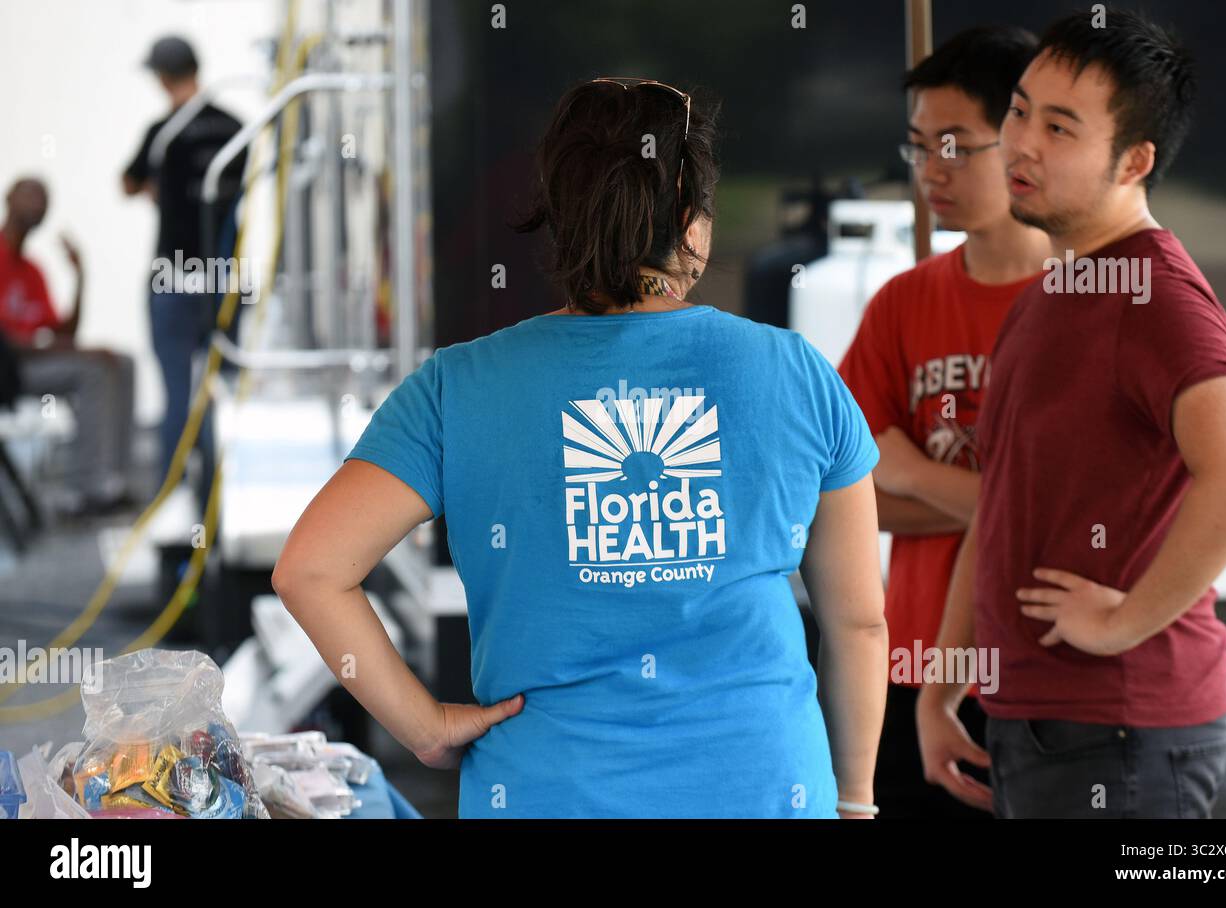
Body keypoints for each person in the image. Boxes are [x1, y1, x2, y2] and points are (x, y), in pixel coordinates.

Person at [273, 78, 889, 818]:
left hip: (543, 792)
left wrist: (425, 727)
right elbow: (858, 622)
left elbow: (309, 571)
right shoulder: (795, 373)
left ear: (559, 220)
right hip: (763, 790)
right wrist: (854, 800)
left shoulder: (458, 387)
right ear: (692, 225)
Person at [917, 8, 1226, 818]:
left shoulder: (1156, 296)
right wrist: (942, 690)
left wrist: (1122, 623)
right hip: (1031, 722)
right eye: (1018, 110)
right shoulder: (1055, 289)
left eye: (1060, 127)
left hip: (1119, 735)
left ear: (1135, 160)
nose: (1023, 142)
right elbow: (998, 508)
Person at [838, 25, 1048, 818]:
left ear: (1024, 140)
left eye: (957, 145)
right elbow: (844, 497)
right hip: (914, 659)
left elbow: (1079, 516)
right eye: (920, 147)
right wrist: (1003, 501)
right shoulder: (904, 303)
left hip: (1043, 665)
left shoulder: (1088, 299)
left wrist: (915, 472)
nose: (933, 170)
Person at [122, 35, 245, 502]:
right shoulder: (235, 127)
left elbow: (128, 183)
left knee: (177, 394)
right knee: (218, 391)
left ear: (161, 77)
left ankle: (170, 502)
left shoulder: (164, 133)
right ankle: (219, 500)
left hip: (173, 278)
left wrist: (160, 189)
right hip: (222, 281)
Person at [0, 177, 136, 517]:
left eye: (44, 197)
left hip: (30, 364)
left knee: (122, 362)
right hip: (8, 369)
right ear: (8, 198)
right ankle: (85, 488)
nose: (38, 203)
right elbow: (9, 345)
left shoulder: (32, 271)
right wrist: (80, 354)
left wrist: (80, 277)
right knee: (93, 370)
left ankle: (111, 480)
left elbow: (64, 334)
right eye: (30, 194)